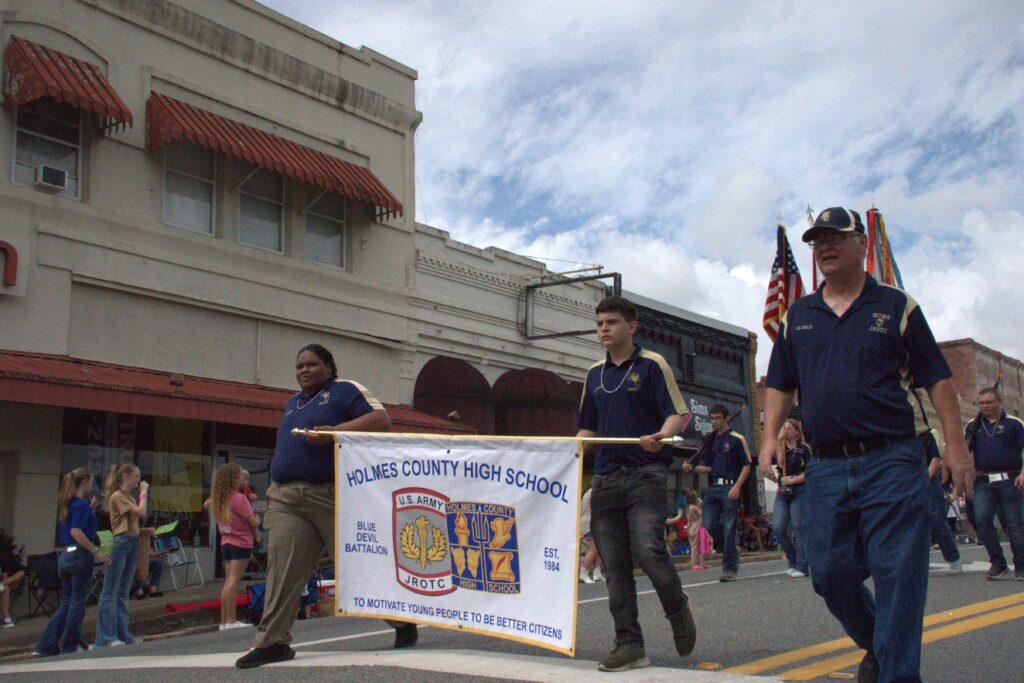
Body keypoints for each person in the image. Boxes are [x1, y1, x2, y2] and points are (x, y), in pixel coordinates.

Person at [760, 207, 974, 683]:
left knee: (899, 577)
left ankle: (896, 673)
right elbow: (779, 382)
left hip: (892, 460)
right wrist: (769, 436)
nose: (825, 247)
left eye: (836, 237)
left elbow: (937, 379)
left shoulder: (897, 306)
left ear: (862, 244)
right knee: (829, 575)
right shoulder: (799, 315)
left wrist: (956, 447)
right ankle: (881, 645)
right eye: (817, 242)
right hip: (826, 467)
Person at [236, 344, 398, 669]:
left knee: (360, 566)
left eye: (311, 364)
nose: (304, 371)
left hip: (331, 494)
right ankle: (272, 642)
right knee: (282, 569)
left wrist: (336, 433)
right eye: (299, 366)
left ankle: (402, 619)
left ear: (329, 366)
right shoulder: (292, 403)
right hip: (285, 497)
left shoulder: (343, 392)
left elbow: (381, 419)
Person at [577, 296, 697, 672]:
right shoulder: (594, 374)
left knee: (648, 549)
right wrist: (573, 446)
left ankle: (677, 608)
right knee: (614, 564)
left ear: (632, 326)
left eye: (611, 322)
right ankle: (629, 642)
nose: (604, 329)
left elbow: (678, 415)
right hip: (607, 479)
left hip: (646, 474)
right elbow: (587, 428)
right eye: (599, 324)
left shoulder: (651, 365)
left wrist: (660, 436)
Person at [34, 468, 111, 655]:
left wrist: (92, 508)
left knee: (67, 602)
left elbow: (76, 525)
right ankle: (70, 643)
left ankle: (46, 644)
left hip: (65, 555)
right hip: (80, 555)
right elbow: (77, 531)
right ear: (84, 482)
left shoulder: (69, 504)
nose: (93, 484)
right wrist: (96, 551)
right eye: (91, 480)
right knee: (77, 601)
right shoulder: (80, 506)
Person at [682, 404, 752, 582]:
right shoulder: (711, 441)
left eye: (718, 418)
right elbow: (709, 467)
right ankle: (728, 548)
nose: (714, 421)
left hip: (730, 486)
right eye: (712, 418)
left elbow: (747, 465)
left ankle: (729, 569)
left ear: (725, 418)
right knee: (709, 524)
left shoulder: (737, 439)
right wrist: (692, 468)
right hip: (713, 488)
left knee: (729, 527)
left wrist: (737, 486)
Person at [963, 387, 1024, 581]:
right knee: (982, 521)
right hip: (983, 481)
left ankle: (1021, 565)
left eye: (989, 402)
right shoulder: (973, 425)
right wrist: (965, 484)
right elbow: (966, 455)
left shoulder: (1014, 424)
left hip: (1010, 479)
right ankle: (997, 563)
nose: (985, 406)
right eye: (981, 403)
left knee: (1014, 524)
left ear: (999, 402)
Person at [95, 463, 149, 648]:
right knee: (110, 592)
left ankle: (123, 633)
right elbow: (141, 512)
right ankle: (106, 637)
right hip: (120, 543)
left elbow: (137, 518)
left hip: (132, 541)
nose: (138, 480)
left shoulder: (130, 498)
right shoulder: (117, 497)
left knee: (124, 591)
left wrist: (143, 530)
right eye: (136, 476)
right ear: (126, 476)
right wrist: (144, 493)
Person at [213, 462, 262, 630]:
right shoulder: (240, 498)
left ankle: (225, 620)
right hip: (241, 542)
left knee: (228, 581)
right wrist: (257, 516)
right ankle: (232, 620)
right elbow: (253, 521)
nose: (243, 479)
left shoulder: (220, 499)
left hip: (226, 541)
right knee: (234, 581)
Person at [770, 419, 811, 577]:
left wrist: (794, 480)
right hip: (783, 492)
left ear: (796, 432)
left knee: (798, 527)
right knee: (779, 527)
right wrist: (779, 440)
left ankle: (802, 566)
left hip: (799, 490)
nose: (786, 430)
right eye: (784, 428)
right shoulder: (781, 448)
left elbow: (809, 472)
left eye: (789, 428)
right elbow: (780, 463)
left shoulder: (803, 450)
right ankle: (792, 559)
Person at [921, 429, 962, 572]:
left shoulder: (928, 433)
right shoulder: (896, 435)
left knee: (938, 522)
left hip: (928, 483)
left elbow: (936, 458)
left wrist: (924, 479)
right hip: (905, 483)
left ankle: (953, 557)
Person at [579, 487, 604, 583]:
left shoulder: (591, 491)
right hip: (589, 523)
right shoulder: (593, 492)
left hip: (594, 522)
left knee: (599, 548)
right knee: (593, 549)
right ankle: (583, 572)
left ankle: (597, 573)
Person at [685, 491, 711, 570]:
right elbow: (702, 513)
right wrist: (701, 504)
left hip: (691, 526)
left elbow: (688, 520)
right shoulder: (694, 507)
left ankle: (700, 563)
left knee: (697, 546)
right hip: (696, 526)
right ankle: (694, 564)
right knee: (695, 546)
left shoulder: (688, 507)